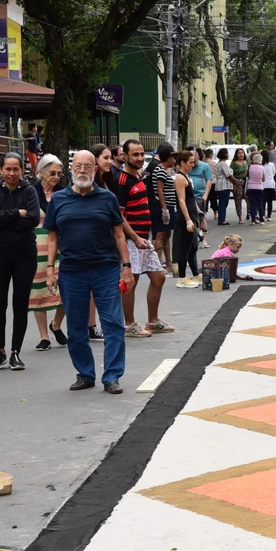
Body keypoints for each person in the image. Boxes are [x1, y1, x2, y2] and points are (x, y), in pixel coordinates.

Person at [44, 150, 132, 394]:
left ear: (95, 170)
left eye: (88, 166)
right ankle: (85, 374)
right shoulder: (59, 200)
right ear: (71, 168)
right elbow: (52, 236)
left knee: (113, 323)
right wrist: (50, 269)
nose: (82, 170)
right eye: (78, 166)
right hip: (72, 272)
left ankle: (112, 376)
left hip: (105, 269)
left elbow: (118, 234)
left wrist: (126, 267)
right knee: (77, 326)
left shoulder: (108, 198)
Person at [0, 153, 40, 373]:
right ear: (1, 170)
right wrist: (17, 213)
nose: (12, 173)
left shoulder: (29, 191)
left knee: (20, 304)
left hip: (25, 254)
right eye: (8, 169)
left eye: (16, 169)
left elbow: (33, 219)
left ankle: (16, 351)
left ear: (21, 170)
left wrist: (4, 220)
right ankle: (0, 350)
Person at [108, 140, 170, 338]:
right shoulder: (122, 181)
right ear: (125, 156)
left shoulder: (138, 177)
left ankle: (152, 321)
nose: (140, 158)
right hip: (132, 240)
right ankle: (129, 325)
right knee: (130, 281)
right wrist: (134, 238)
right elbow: (119, 216)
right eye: (135, 154)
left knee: (159, 277)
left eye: (142, 154)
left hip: (144, 238)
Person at [31, 153, 68, 349]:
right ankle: (44, 336)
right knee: (39, 292)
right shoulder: (30, 193)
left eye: (59, 174)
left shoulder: (63, 193)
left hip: (62, 246)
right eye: (52, 173)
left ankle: (56, 324)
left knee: (66, 290)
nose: (55, 177)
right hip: (37, 247)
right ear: (41, 173)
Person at [172, 150, 204, 287]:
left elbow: (191, 199)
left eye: (193, 162)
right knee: (184, 247)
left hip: (191, 214)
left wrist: (198, 212)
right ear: (182, 163)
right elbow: (181, 201)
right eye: (190, 162)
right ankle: (182, 278)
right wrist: (188, 220)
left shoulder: (186, 177)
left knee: (193, 247)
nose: (192, 165)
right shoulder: (179, 178)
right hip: (185, 217)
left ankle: (196, 274)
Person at [149, 143, 177, 272]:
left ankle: (169, 263)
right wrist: (164, 209)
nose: (174, 160)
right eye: (172, 157)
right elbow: (159, 191)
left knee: (167, 235)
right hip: (161, 206)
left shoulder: (165, 170)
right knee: (160, 235)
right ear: (167, 157)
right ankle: (158, 264)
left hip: (169, 205)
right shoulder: (159, 170)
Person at [187, 144, 212, 242]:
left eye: (195, 161)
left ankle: (203, 239)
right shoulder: (187, 166)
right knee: (192, 218)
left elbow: (209, 180)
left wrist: (206, 195)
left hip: (200, 196)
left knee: (201, 217)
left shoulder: (204, 166)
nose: (193, 164)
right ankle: (193, 239)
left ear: (198, 157)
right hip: (189, 196)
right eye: (191, 161)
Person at [213, 148, 233, 226]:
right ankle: (222, 219)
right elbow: (228, 174)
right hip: (224, 185)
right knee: (223, 203)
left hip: (220, 185)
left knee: (222, 202)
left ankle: (221, 218)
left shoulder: (219, 164)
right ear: (225, 154)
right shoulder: (223, 164)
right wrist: (235, 180)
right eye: (227, 153)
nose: (228, 155)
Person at [245, 152, 266, 225]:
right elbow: (263, 179)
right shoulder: (262, 168)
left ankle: (253, 220)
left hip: (250, 188)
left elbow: (246, 175)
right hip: (259, 187)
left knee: (252, 204)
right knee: (260, 204)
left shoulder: (250, 167)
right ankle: (261, 220)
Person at [230, 147, 248, 223]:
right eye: (239, 153)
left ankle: (249, 213)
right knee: (238, 201)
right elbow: (230, 173)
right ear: (236, 154)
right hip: (237, 182)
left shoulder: (246, 162)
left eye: (242, 153)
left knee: (249, 199)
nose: (241, 154)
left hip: (246, 182)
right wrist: (234, 182)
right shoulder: (233, 163)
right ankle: (240, 217)